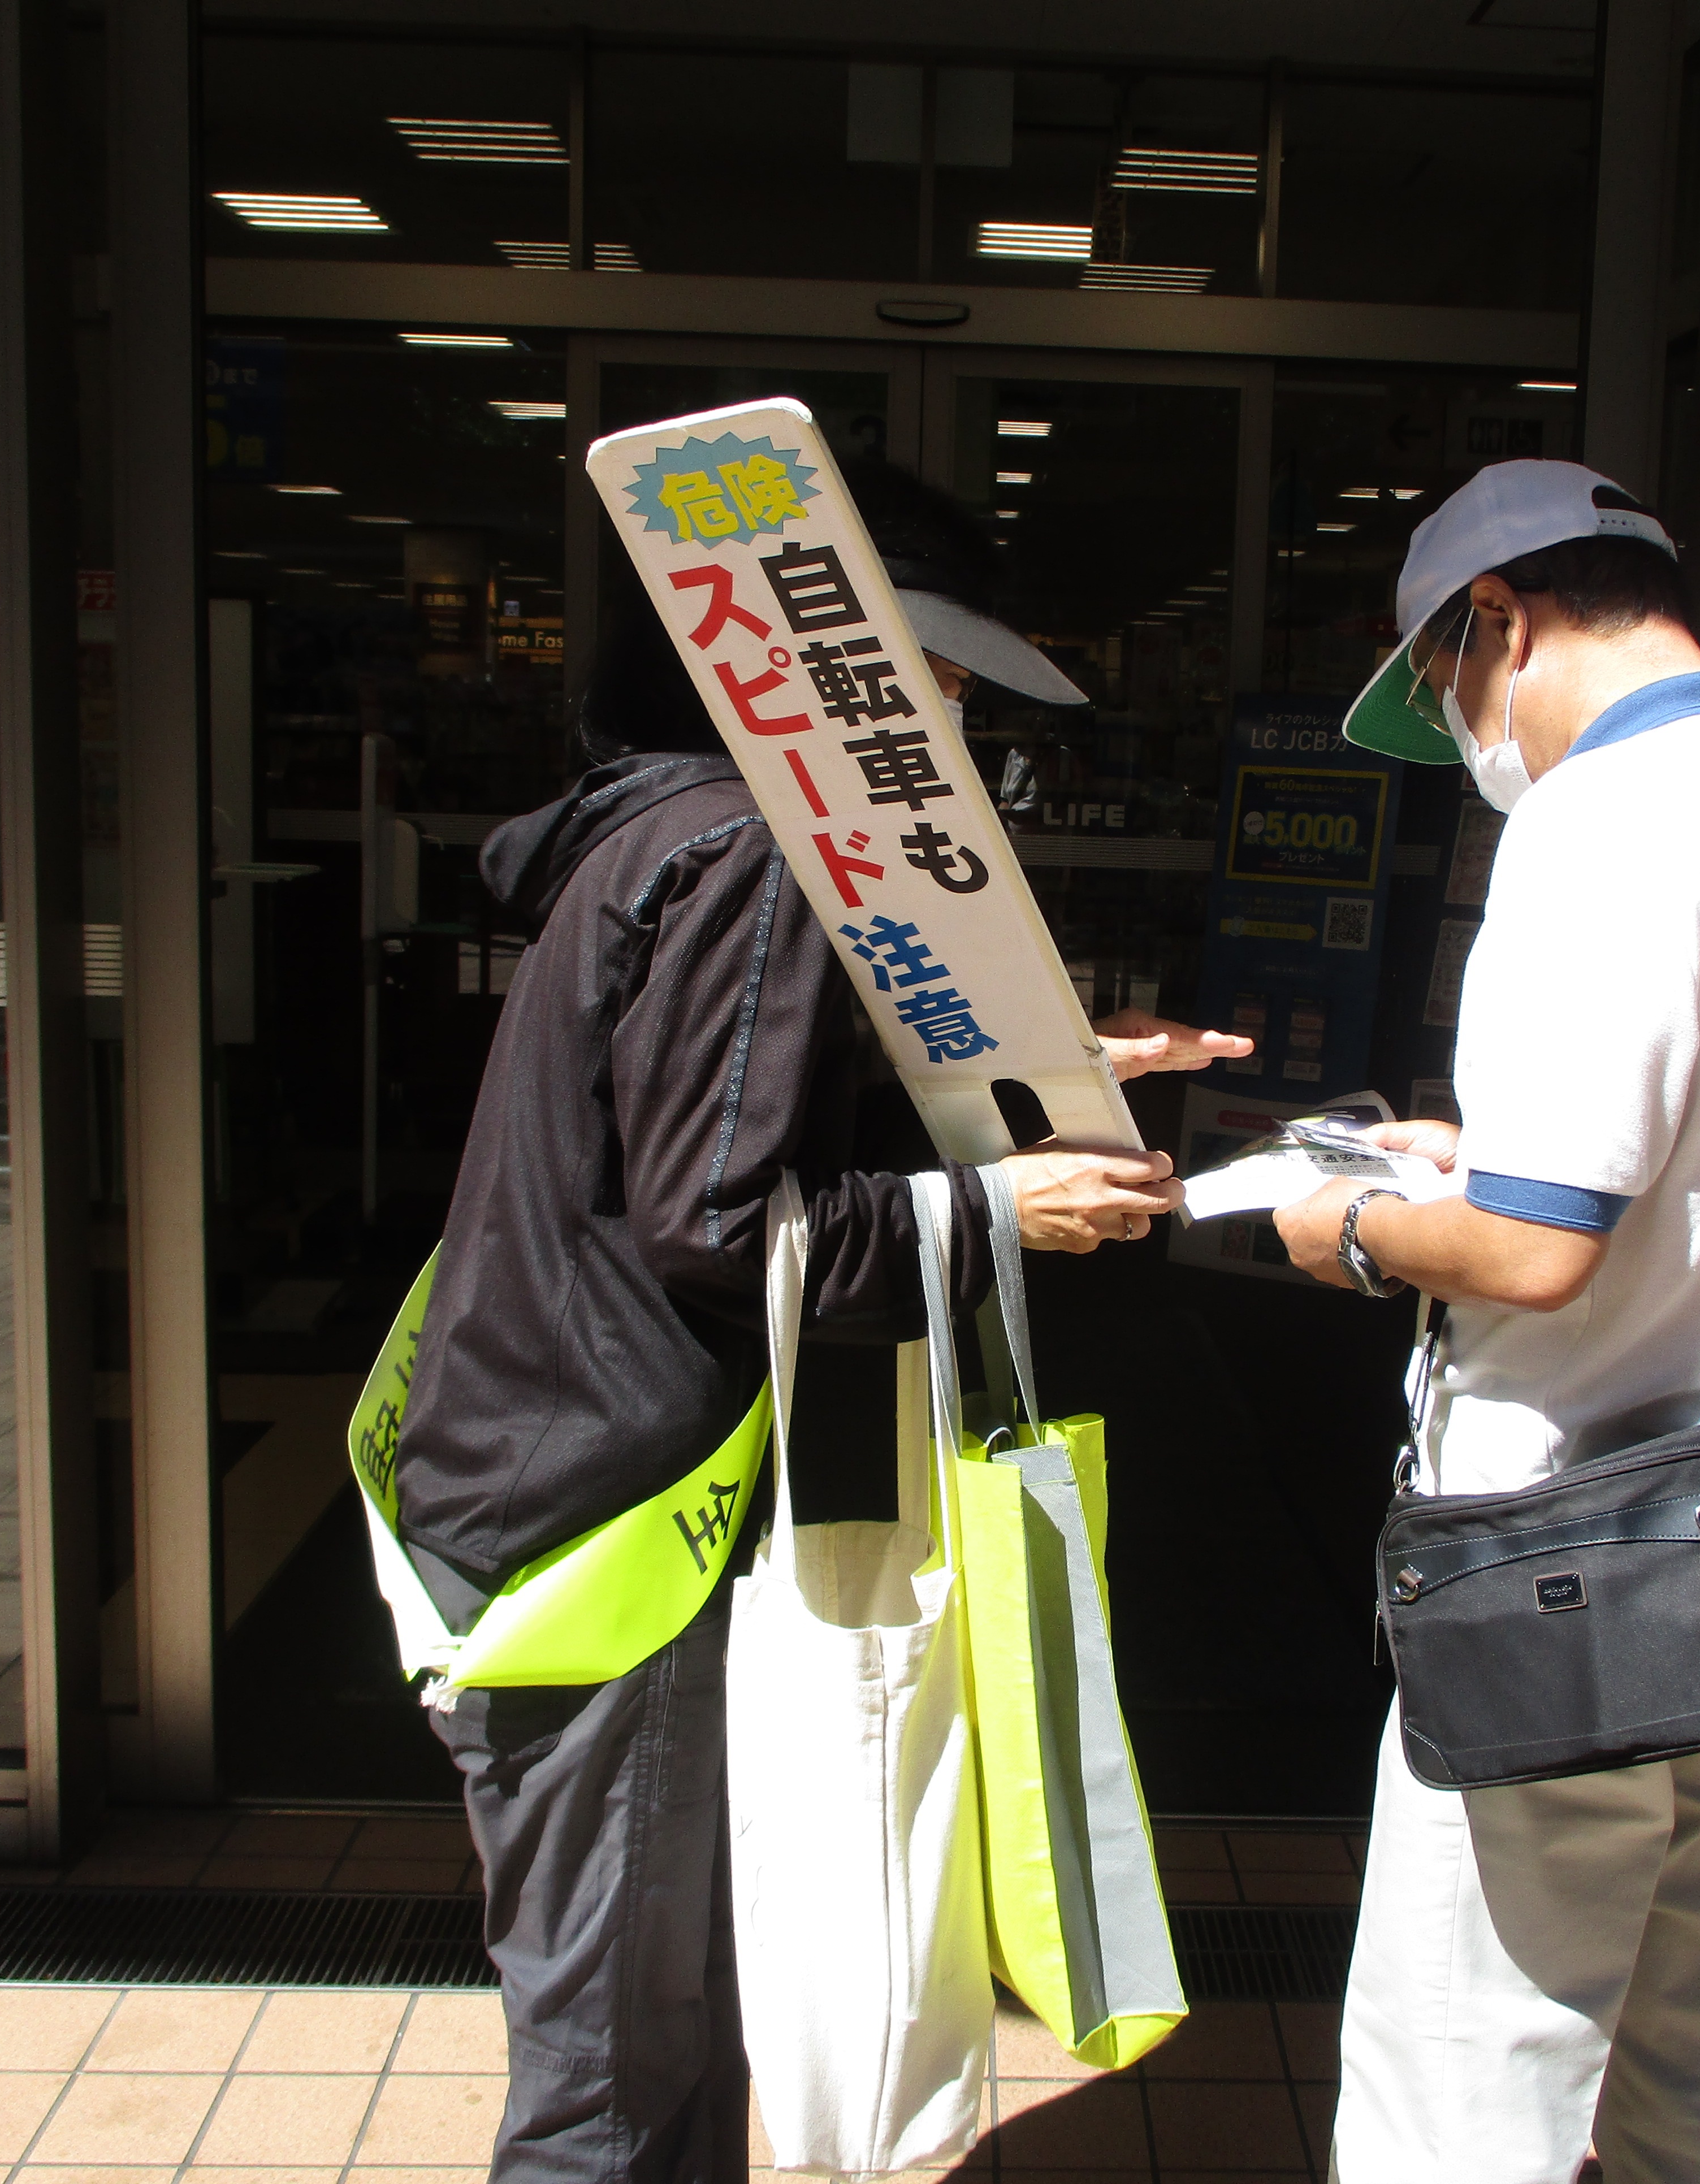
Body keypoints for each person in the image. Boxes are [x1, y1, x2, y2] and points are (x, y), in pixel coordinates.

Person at [387, 460, 1248, 2184]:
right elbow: (721, 1222)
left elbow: (723, 1135)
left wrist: (1050, 1077)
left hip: (546, 1484)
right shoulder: (758, 851)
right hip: (600, 1535)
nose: (935, 712)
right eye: (912, 674)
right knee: (612, 2080)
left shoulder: (652, 822)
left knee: (657, 2033)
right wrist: (998, 1212)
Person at [1276, 460, 1700, 2183]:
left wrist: (1338, 1226)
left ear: (1498, 621)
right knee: (1679, 2007)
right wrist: (1470, 1160)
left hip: (1563, 1561)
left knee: (1463, 2056)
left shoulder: (1603, 826)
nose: (1471, 737)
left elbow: (1534, 1254)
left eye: (1447, 688)